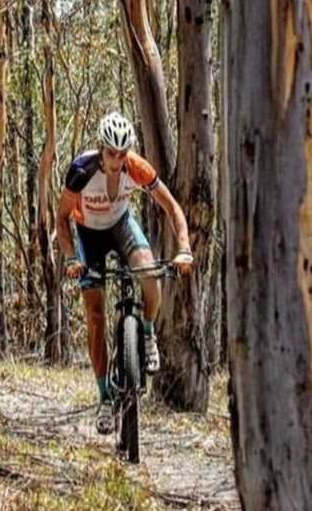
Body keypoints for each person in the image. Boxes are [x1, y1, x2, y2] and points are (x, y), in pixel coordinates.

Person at [56, 111, 193, 435]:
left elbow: (172, 207)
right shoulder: (81, 171)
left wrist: (184, 248)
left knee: (149, 274)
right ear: (101, 149)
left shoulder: (137, 167)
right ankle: (105, 397)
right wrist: (70, 258)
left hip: (121, 226)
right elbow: (62, 219)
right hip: (88, 235)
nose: (117, 160)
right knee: (94, 315)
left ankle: (146, 334)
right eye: (111, 153)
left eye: (122, 153)